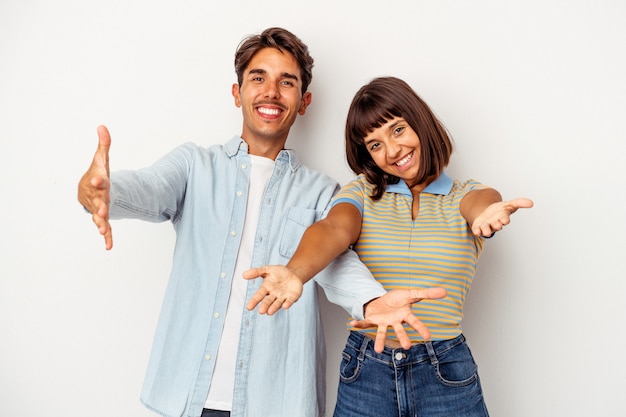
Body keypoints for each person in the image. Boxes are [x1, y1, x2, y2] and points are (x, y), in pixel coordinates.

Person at [78, 30, 446, 417]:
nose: (271, 92)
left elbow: (334, 261)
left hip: (277, 403)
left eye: (286, 82)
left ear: (303, 102)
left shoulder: (322, 191)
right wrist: (103, 193)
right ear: (237, 93)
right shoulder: (193, 166)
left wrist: (371, 300)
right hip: (184, 397)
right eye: (258, 78)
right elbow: (150, 189)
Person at [244, 76, 534, 417]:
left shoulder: (463, 196)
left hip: (445, 371)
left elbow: (481, 202)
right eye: (374, 144)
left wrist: (486, 214)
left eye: (397, 130)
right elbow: (334, 228)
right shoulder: (362, 194)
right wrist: (295, 272)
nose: (392, 151)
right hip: (368, 370)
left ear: (420, 122)